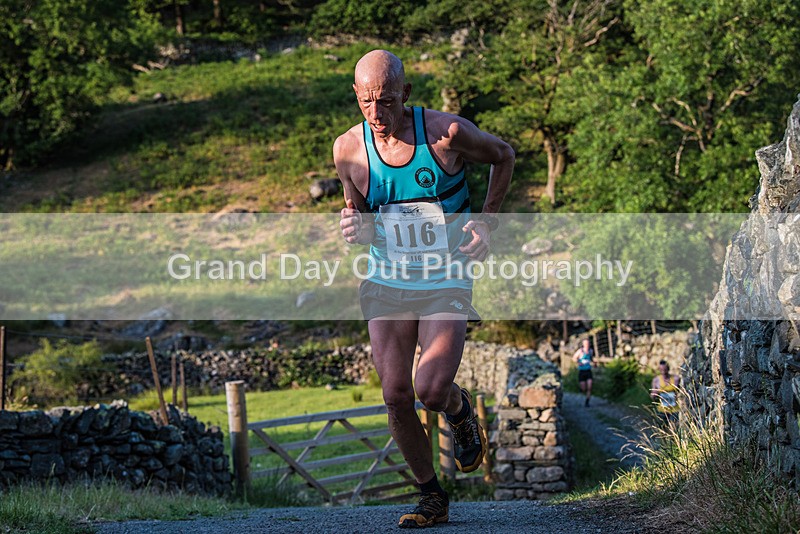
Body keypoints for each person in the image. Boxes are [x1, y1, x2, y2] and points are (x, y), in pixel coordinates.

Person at [334, 50, 515, 528]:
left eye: (388, 101)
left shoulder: (446, 133)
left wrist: (487, 223)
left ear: (406, 95)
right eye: (367, 102)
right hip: (386, 281)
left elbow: (504, 155)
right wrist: (355, 229)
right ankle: (431, 496)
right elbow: (363, 222)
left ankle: (457, 408)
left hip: (444, 277)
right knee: (395, 395)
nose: (377, 114)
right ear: (355, 96)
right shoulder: (347, 151)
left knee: (430, 389)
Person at [651, 360, 681, 425]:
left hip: (674, 408)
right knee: (662, 427)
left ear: (668, 369)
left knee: (675, 427)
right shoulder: (656, 380)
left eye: (665, 369)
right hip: (662, 409)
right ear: (659, 369)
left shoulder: (676, 379)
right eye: (661, 370)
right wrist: (655, 394)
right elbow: (652, 395)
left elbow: (681, 391)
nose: (663, 372)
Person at [572, 339, 593, 407]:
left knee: (590, 386)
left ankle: (587, 402)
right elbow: (574, 358)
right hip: (582, 371)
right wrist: (579, 362)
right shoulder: (580, 351)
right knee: (584, 388)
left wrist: (593, 363)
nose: (587, 345)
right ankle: (581, 390)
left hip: (588, 370)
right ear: (583, 344)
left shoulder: (590, 351)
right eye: (586, 344)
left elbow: (591, 359)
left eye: (588, 343)